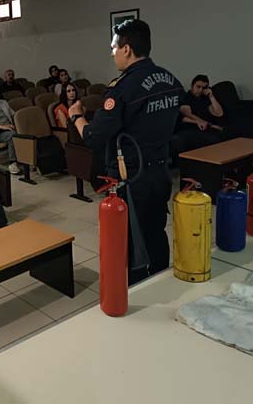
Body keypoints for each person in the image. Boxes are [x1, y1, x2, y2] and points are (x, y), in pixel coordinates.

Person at [67, 19, 183, 284]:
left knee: (131, 240)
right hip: (160, 172)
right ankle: (160, 281)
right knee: (155, 231)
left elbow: (94, 137)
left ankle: (136, 290)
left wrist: (76, 117)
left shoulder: (122, 88)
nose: (112, 53)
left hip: (131, 178)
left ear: (127, 49)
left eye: (113, 47)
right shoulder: (170, 80)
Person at [173, 74, 227, 152]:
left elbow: (219, 113)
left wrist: (211, 97)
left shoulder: (205, 98)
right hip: (196, 128)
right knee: (215, 139)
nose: (201, 90)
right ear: (192, 86)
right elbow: (188, 115)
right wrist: (211, 125)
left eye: (204, 87)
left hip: (211, 127)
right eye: (198, 87)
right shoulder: (186, 97)